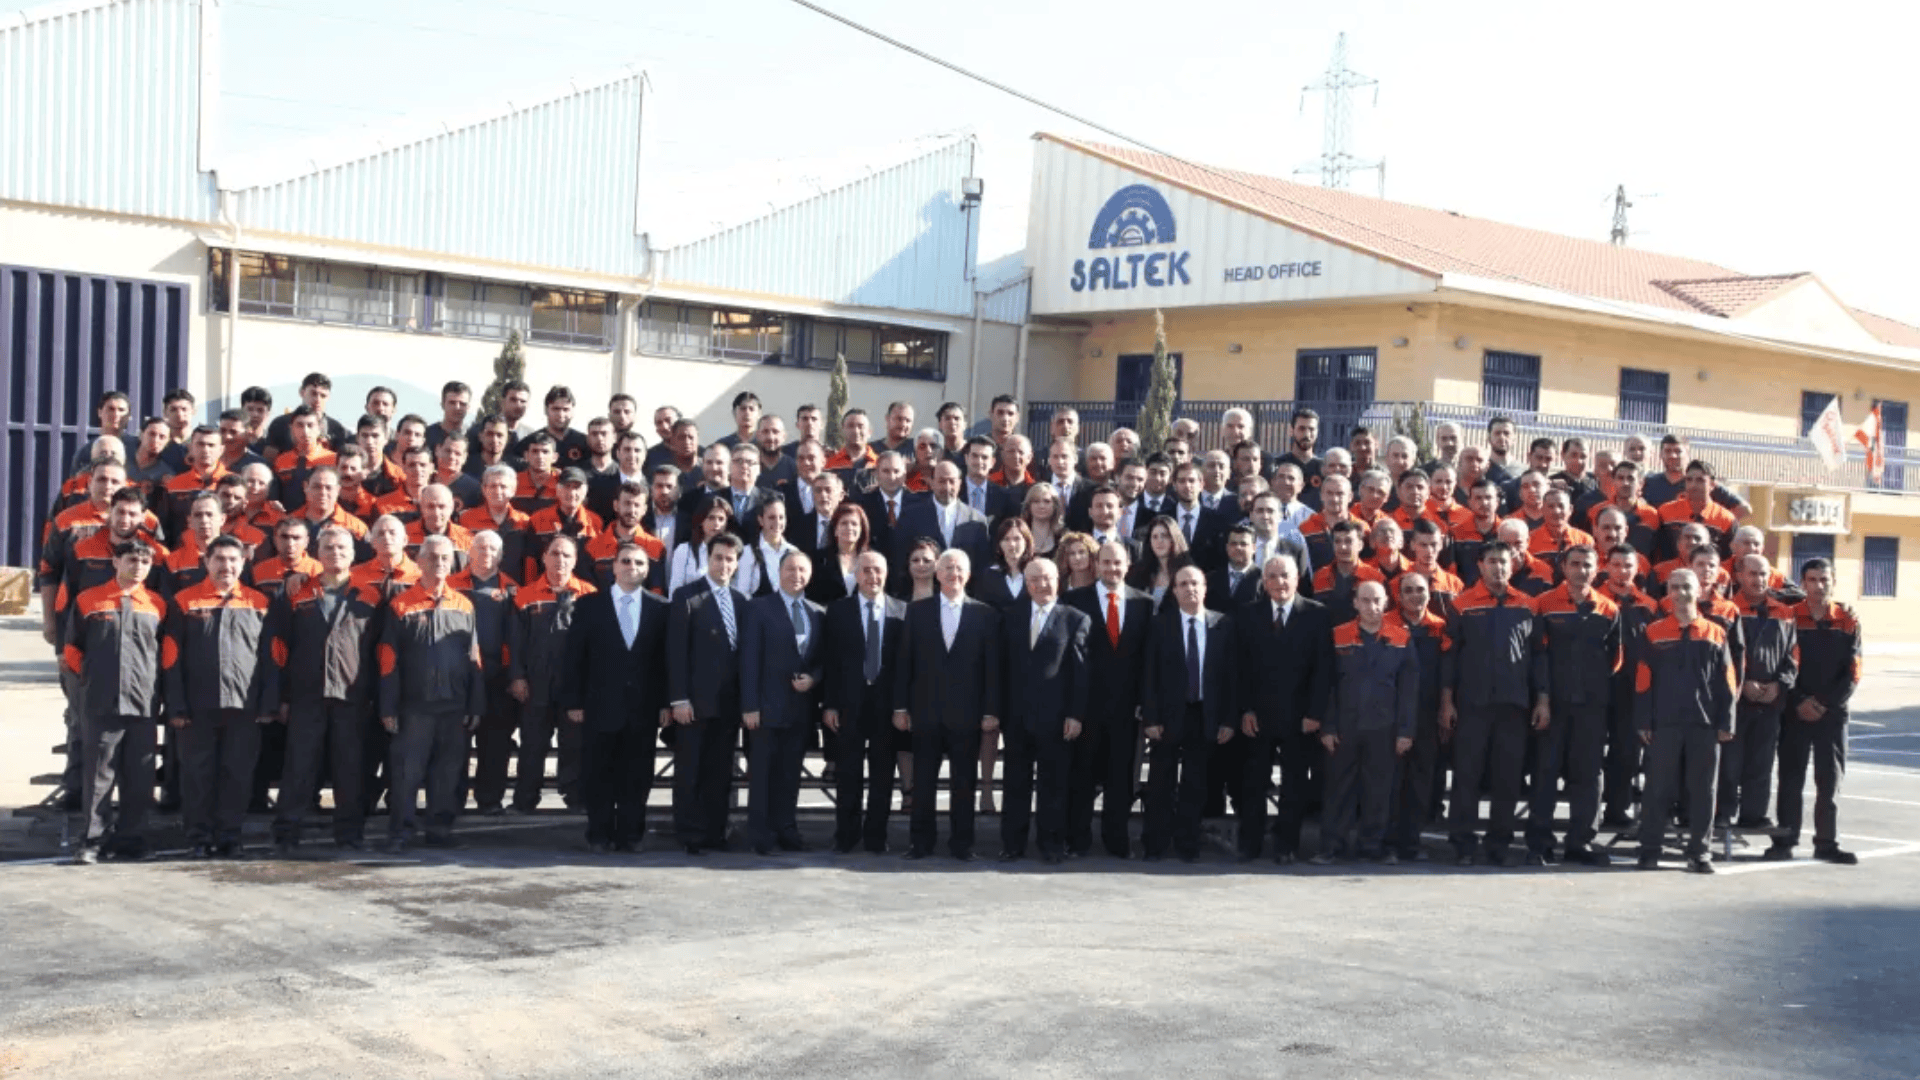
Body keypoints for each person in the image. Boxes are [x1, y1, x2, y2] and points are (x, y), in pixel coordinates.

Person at [268, 525, 384, 854]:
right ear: (317, 554)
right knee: (299, 768)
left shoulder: (371, 595)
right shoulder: (296, 592)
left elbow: (378, 649)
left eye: (342, 548)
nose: (335, 553)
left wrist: (375, 696)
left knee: (350, 769)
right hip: (307, 696)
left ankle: (349, 833)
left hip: (352, 698)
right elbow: (280, 647)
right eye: (329, 548)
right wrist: (284, 696)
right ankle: (287, 832)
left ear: (353, 553)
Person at [164, 534, 277, 859]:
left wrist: (268, 701)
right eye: (219, 559)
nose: (226, 566)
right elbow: (170, 656)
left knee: (237, 774)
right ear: (206, 562)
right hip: (196, 708)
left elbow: (274, 655)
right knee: (197, 775)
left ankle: (230, 836)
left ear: (243, 563)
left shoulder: (259, 602)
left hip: (245, 707)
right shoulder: (183, 601)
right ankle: (198, 836)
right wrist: (176, 704)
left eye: (233, 560)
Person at [376, 535, 486, 852]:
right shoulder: (400, 605)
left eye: (444, 558)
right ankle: (401, 833)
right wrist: (388, 707)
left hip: (453, 707)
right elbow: (387, 660)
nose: (439, 563)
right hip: (414, 708)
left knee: (447, 773)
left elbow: (474, 658)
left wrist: (475, 704)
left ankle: (439, 830)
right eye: (432, 557)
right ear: (419, 561)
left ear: (452, 563)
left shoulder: (464, 605)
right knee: (406, 774)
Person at [894, 549, 1002, 861]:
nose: (953, 573)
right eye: (947, 568)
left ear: (968, 575)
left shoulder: (985, 614)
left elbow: (991, 669)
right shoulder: (917, 612)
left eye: (959, 569)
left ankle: (962, 844)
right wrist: (900, 707)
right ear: (937, 574)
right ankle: (920, 843)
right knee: (923, 783)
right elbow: (905, 663)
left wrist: (991, 710)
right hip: (925, 713)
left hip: (967, 715)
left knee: (963, 784)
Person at [62, 540, 166, 864]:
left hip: (143, 704)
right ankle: (92, 841)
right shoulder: (89, 600)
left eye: (145, 561)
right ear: (115, 561)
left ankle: (132, 840)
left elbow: (168, 654)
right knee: (98, 777)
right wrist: (93, 679)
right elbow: (72, 651)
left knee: (139, 777)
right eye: (132, 559)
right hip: (102, 701)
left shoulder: (157, 605)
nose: (138, 566)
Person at [562, 542, 669, 854]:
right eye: (626, 561)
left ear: (647, 570)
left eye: (639, 563)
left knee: (637, 776)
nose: (632, 567)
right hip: (599, 705)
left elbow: (665, 661)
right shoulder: (589, 606)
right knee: (598, 774)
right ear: (613, 566)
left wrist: (664, 702)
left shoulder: (661, 608)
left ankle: (630, 836)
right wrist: (574, 701)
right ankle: (599, 834)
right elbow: (574, 658)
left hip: (643, 708)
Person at [1440, 542, 1539, 867]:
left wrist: (1544, 700)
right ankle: (1463, 844)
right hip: (1473, 705)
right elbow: (1450, 657)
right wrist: (1447, 702)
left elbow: (1539, 657)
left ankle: (1499, 843)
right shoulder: (1462, 604)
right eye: (1492, 561)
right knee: (1467, 776)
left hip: (1514, 705)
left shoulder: (1527, 605)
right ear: (1480, 565)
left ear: (1513, 566)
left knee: (1507, 778)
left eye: (1505, 562)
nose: (1499, 567)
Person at [1633, 568, 1736, 874]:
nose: (1681, 593)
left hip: (1704, 724)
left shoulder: (1716, 632)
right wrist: (1643, 720)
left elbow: (1727, 681)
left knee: (1703, 791)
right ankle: (1649, 850)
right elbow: (1642, 680)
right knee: (1657, 789)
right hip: (1665, 724)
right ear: (1668, 593)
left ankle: (1700, 853)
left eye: (1687, 587)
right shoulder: (1654, 632)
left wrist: (1726, 721)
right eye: (1674, 587)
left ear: (1699, 591)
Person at [1235, 551, 1334, 863]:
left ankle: (1286, 845)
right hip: (1258, 716)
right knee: (1253, 783)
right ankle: (1250, 844)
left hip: (1299, 717)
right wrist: (1245, 709)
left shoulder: (1317, 614)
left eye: (1286, 575)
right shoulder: (1248, 614)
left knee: (1294, 785)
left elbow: (1324, 670)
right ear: (1264, 582)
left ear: (1297, 579)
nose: (1280, 582)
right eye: (1273, 576)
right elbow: (1239, 668)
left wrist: (1315, 714)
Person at [1525, 544, 1621, 867]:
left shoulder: (1608, 609)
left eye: (1587, 565)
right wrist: (1542, 699)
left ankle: (1581, 842)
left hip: (1592, 707)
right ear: (1563, 567)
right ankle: (1539, 843)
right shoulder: (1544, 605)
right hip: (1553, 704)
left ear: (1598, 570)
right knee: (1545, 773)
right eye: (1575, 564)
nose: (1581, 570)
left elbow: (1615, 660)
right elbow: (1537, 656)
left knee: (1589, 775)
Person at [1315, 579, 1418, 865]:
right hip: (1344, 728)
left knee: (1380, 790)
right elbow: (1328, 685)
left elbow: (1409, 691)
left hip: (1384, 729)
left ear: (1386, 603)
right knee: (1338, 789)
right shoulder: (1338, 635)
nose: (1371, 607)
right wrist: (1328, 726)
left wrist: (1406, 731)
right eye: (1365, 600)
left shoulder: (1401, 637)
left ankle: (1374, 846)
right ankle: (1331, 846)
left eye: (1377, 600)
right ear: (1355, 603)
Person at [1063, 540, 1155, 858]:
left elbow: (1148, 659)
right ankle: (1078, 841)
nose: (1112, 568)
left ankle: (1117, 842)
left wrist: (1145, 701)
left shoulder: (1143, 603)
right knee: (1083, 776)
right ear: (1096, 565)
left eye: (1118, 563)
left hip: (1127, 709)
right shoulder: (1074, 601)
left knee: (1121, 779)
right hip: (1086, 706)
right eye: (1106, 562)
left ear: (1128, 565)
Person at [1766, 558, 1859, 865]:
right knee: (1790, 779)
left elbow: (1853, 672)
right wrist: (1799, 701)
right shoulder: (1789, 617)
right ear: (1802, 583)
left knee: (1829, 781)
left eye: (1825, 579)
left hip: (1832, 715)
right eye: (1813, 580)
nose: (1820, 586)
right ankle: (1785, 841)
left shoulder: (1847, 619)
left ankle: (1827, 843)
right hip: (1795, 712)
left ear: (1833, 582)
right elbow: (1781, 663)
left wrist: (1824, 704)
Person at [998, 558, 1090, 865]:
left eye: (1048, 578)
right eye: (1034, 579)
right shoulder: (1010, 617)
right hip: (1017, 717)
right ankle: (1013, 844)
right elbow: (1001, 669)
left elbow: (1080, 673)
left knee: (1054, 786)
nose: (1042, 584)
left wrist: (1076, 714)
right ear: (1026, 584)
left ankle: (1051, 844)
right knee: (1015, 784)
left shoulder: (1074, 619)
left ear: (1058, 580)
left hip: (1057, 719)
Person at [1141, 565, 1235, 863]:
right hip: (1168, 716)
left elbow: (1232, 679)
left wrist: (1228, 719)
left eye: (1195, 583)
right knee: (1160, 781)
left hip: (1204, 714)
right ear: (1174, 590)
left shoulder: (1223, 625)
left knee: (1196, 784)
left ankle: (1187, 844)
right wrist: (1151, 718)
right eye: (1183, 584)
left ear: (1205, 588)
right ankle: (1155, 843)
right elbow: (1149, 675)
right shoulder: (1160, 625)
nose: (1190, 588)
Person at [666, 533, 748, 854]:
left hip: (728, 706)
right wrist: (679, 699)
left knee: (720, 771)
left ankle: (715, 832)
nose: (724, 564)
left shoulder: (741, 602)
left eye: (730, 559)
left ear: (737, 563)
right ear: (707, 559)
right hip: (693, 704)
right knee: (690, 771)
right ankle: (689, 832)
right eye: (718, 558)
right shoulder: (687, 596)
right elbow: (675, 652)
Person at [739, 550, 825, 855]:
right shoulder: (759, 608)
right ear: (779, 571)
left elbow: (822, 660)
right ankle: (761, 835)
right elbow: (749, 660)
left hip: (800, 710)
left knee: (790, 775)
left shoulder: (817, 612)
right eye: (791, 569)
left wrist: (814, 679)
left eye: (803, 570)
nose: (796, 575)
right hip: (765, 708)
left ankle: (787, 830)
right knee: (762, 775)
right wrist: (749, 706)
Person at [822, 551, 908, 854]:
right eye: (867, 571)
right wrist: (829, 704)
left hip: (886, 707)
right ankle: (845, 835)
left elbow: (906, 666)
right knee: (848, 773)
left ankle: (876, 837)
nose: (873, 576)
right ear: (856, 575)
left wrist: (902, 707)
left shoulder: (901, 611)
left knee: (883, 775)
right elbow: (831, 661)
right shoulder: (838, 611)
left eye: (878, 571)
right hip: (849, 704)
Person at [507, 534, 598, 813]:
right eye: (555, 553)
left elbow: (595, 647)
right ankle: (524, 800)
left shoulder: (589, 595)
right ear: (544, 558)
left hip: (573, 687)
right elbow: (515, 641)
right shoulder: (525, 595)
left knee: (574, 745)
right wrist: (517, 676)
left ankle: (576, 798)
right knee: (532, 746)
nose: (560, 560)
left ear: (575, 560)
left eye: (567, 555)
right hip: (536, 685)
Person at [1718, 554, 1798, 834]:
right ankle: (1723, 814)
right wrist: (1745, 683)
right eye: (1752, 573)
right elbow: (1723, 656)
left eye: (1763, 574)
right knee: (1730, 762)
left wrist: (1781, 683)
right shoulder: (1729, 611)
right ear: (1739, 576)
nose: (1759, 579)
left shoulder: (1784, 613)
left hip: (1771, 700)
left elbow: (1793, 655)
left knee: (1761, 762)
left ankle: (1754, 814)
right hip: (1737, 699)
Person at [449, 530, 519, 816]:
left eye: (492, 549)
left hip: (497, 675)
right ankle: (452, 800)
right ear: (469, 553)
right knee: (456, 742)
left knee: (496, 741)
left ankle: (489, 800)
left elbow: (518, 639)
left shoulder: (513, 590)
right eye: (480, 547)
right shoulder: (451, 586)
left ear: (501, 556)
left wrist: (515, 674)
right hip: (458, 674)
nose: (486, 553)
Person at [1384, 572, 1448, 862]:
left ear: (1430, 593)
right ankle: (1387, 844)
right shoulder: (1385, 626)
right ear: (1398, 596)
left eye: (1420, 590)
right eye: (1407, 590)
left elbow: (1449, 672)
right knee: (1390, 782)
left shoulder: (1440, 628)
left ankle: (1411, 843)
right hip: (1389, 714)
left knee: (1421, 782)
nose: (1414, 595)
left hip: (1426, 714)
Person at [892, 461, 989, 570]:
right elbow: (900, 559)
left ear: (960, 483)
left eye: (952, 481)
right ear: (932, 483)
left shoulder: (978, 520)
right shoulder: (910, 515)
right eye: (942, 481)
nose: (947, 487)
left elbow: (981, 566)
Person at [668, 493, 745, 597]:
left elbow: (738, 588)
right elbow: (674, 590)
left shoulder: (733, 551)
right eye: (711, 518)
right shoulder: (684, 550)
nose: (716, 524)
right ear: (701, 520)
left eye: (721, 519)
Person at [809, 502, 871, 607]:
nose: (849, 527)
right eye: (844, 523)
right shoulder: (818, 559)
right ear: (835, 530)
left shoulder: (871, 560)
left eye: (854, 524)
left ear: (862, 530)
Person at [974, 517, 1034, 612]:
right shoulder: (988, 575)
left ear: (1026, 541)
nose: (1012, 544)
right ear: (999, 544)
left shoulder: (1036, 572)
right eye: (1006, 539)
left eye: (1017, 539)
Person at [1020, 481, 1065, 560]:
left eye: (1047, 501)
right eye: (1036, 501)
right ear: (1029, 506)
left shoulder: (1064, 537)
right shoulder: (1019, 534)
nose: (1041, 506)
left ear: (1055, 505)